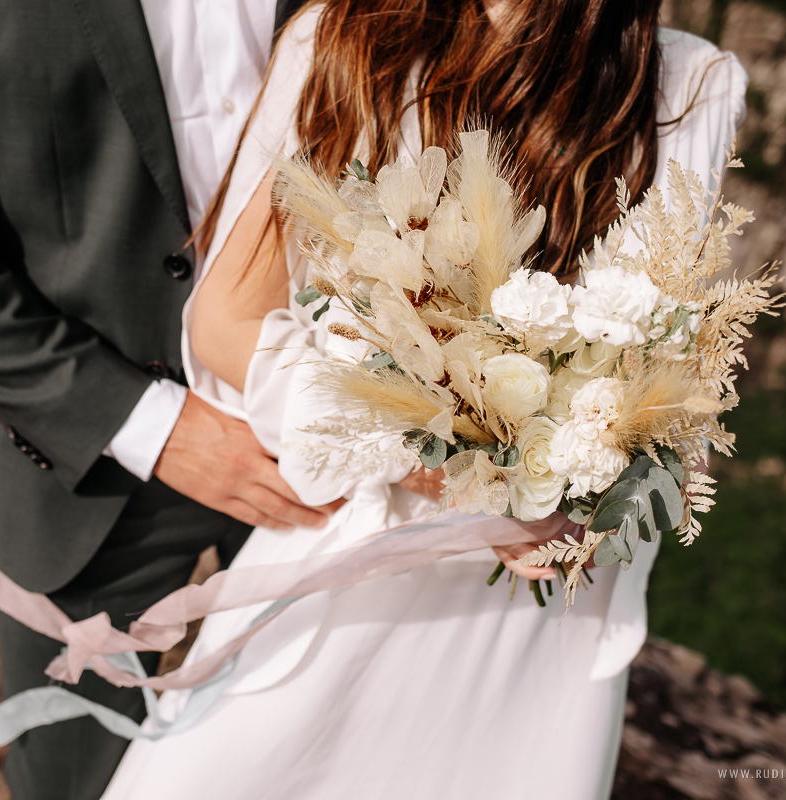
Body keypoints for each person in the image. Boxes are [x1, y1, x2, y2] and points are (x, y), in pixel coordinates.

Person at [99, 1, 748, 798]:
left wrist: (582, 478)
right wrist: (423, 451)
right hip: (348, 567)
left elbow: (665, 367)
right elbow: (226, 319)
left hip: (528, 615)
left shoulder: (692, 84)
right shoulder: (344, 35)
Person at [0, 1, 329, 797]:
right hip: (97, 477)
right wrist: (151, 426)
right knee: (75, 782)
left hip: (341, 439)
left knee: (330, 761)